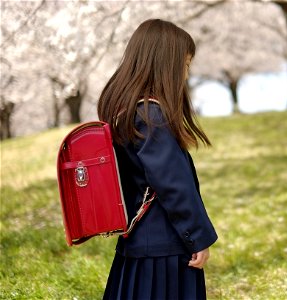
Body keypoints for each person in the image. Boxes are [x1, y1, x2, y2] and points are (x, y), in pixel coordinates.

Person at [97, 19, 218, 299]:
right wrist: (197, 237)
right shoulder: (152, 116)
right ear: (167, 64)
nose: (186, 75)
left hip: (138, 244)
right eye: (186, 65)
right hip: (165, 249)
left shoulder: (126, 112)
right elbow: (173, 185)